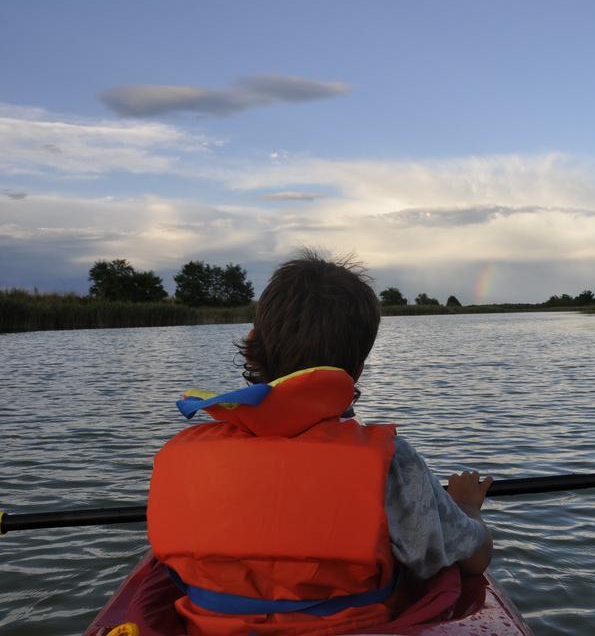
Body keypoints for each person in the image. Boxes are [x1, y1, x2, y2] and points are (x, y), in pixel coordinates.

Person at [146, 250, 494, 635]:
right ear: (358, 369)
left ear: (252, 343)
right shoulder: (391, 463)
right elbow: (475, 558)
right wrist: (465, 507)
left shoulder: (185, 454)